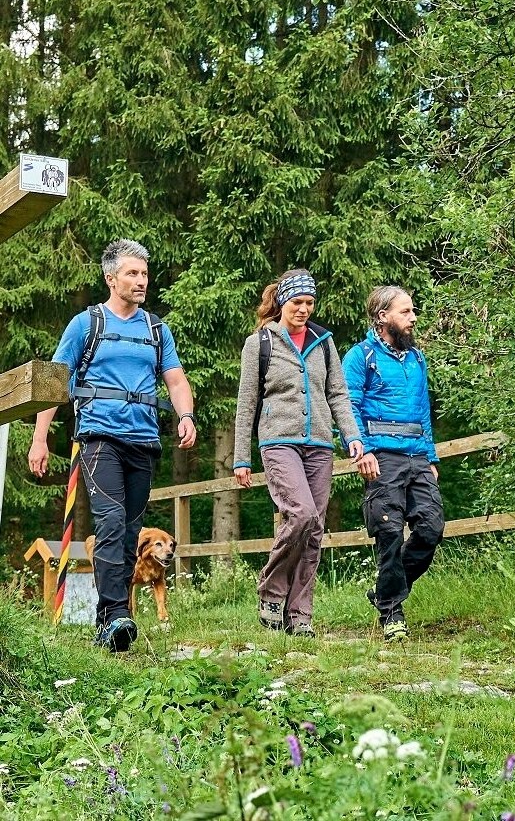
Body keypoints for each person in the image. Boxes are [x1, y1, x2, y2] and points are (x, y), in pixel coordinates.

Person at [28, 239, 196, 652]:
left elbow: (174, 378)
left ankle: (109, 625)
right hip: (99, 436)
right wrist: (40, 437)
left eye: (144, 273)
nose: (141, 281)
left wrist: (185, 415)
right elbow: (56, 380)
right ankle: (118, 613)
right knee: (110, 521)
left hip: (143, 439)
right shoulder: (86, 324)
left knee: (131, 533)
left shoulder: (156, 329)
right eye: (132, 274)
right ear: (111, 278)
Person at [233, 269, 363, 637]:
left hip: (320, 443)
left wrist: (352, 436)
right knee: (301, 514)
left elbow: (337, 393)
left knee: (315, 529)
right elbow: (246, 404)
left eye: (309, 303)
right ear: (281, 303)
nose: (304, 309)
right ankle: (271, 590)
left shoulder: (324, 342)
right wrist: (242, 457)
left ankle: (299, 612)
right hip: (278, 441)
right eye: (297, 303)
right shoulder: (260, 343)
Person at [342, 285, 444, 642]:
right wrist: (363, 451)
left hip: (417, 455)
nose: (413, 318)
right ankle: (392, 614)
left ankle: (384, 592)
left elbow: (423, 411)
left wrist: (431, 456)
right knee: (388, 533)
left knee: (431, 529)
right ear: (382, 317)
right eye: (406, 312)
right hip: (381, 456)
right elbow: (348, 407)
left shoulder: (417, 359)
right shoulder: (360, 357)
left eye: (412, 311)